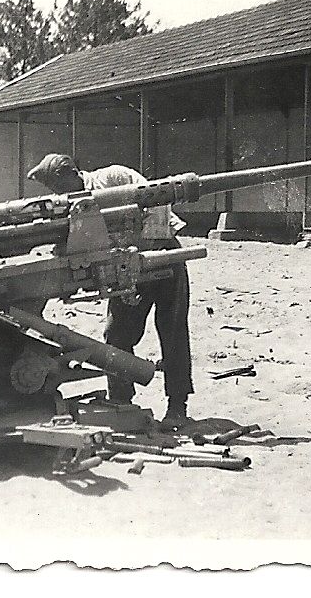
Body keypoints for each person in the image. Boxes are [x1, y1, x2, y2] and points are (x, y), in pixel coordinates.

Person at [26, 153, 193, 426]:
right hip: (125, 269)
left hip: (162, 253)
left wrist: (145, 249)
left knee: (172, 330)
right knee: (116, 332)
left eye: (58, 187)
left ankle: (178, 406)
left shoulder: (113, 177)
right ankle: (120, 399)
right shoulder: (73, 207)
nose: (57, 194)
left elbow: (158, 200)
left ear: (71, 174)